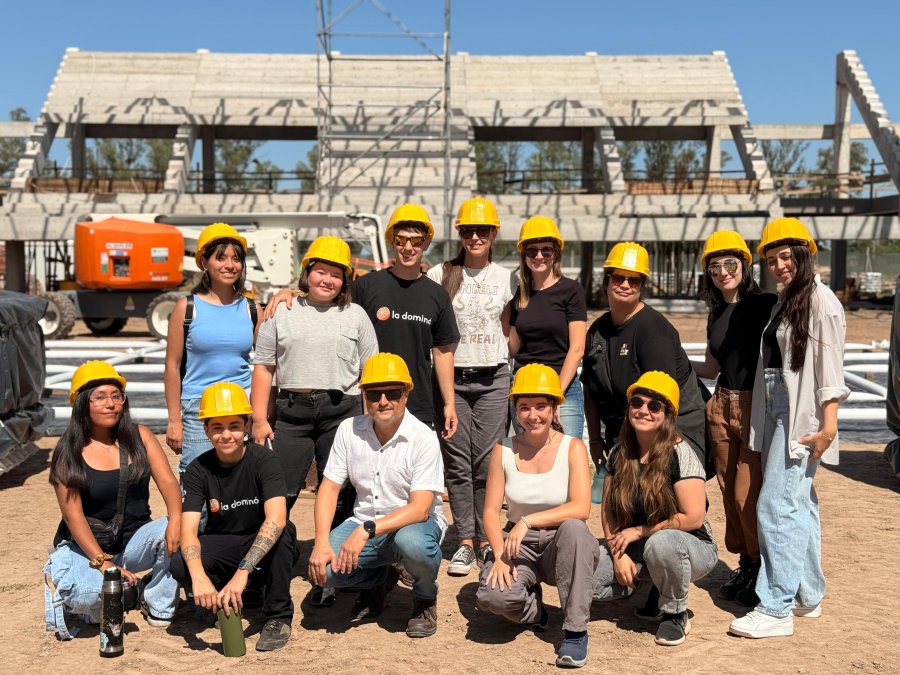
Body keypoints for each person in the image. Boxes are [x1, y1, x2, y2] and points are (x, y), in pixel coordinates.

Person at [729, 218, 849, 639]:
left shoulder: (821, 302)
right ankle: (806, 594)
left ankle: (776, 606)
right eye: (772, 259)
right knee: (800, 503)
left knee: (776, 504)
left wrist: (828, 425)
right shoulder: (789, 300)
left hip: (803, 415)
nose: (779, 265)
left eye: (786, 256)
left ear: (804, 254)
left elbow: (830, 370)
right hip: (780, 404)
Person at [265, 204, 459, 438]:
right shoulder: (366, 286)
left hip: (417, 402)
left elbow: (442, 352)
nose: (408, 247)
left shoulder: (436, 295)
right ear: (392, 241)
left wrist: (449, 403)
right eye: (401, 240)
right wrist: (291, 293)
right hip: (373, 401)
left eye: (416, 241)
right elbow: (325, 298)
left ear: (426, 243)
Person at [308, 353, 447, 639]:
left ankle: (423, 597)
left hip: (411, 525)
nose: (383, 400)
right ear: (364, 396)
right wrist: (321, 541)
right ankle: (379, 578)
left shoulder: (423, 437)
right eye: (374, 393)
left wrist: (366, 531)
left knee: (413, 544)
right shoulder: (349, 430)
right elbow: (329, 487)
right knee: (325, 572)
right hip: (365, 520)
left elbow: (421, 508)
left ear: (406, 393)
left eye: (392, 392)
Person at [45, 361, 181, 639]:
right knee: (88, 598)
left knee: (191, 522)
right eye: (100, 397)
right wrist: (105, 564)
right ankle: (75, 583)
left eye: (116, 396)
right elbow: (74, 517)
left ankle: (155, 601)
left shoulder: (140, 436)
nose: (111, 404)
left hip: (133, 542)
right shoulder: (67, 451)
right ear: (83, 403)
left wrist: (177, 520)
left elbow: (168, 483)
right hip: (88, 549)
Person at [475, 364, 597, 669]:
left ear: (555, 408)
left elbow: (582, 507)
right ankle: (536, 612)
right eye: (525, 407)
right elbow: (490, 511)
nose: (533, 415)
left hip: (563, 542)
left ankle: (575, 631)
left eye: (541, 406)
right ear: (515, 409)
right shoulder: (502, 449)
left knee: (574, 528)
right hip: (518, 545)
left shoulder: (573, 447)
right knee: (493, 597)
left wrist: (529, 520)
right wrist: (500, 553)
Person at [591, 371, 717, 647]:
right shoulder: (618, 452)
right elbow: (608, 511)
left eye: (655, 405)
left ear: (668, 414)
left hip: (688, 545)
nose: (643, 410)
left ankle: (675, 612)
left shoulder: (681, 453)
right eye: (637, 402)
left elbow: (693, 517)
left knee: (661, 544)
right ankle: (653, 586)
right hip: (638, 544)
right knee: (588, 579)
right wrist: (617, 555)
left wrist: (639, 531)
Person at [251, 236, 378, 511]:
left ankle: (334, 550)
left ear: (345, 281)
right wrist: (260, 419)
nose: (327, 280)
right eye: (321, 271)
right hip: (291, 415)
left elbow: (371, 374)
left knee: (341, 492)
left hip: (342, 413)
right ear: (307, 274)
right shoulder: (281, 312)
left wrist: (370, 422)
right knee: (278, 492)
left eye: (336, 275)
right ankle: (278, 550)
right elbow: (263, 367)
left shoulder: (356, 315)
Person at [426, 197, 517, 577]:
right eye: (468, 231)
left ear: (494, 234)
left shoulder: (508, 278)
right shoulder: (439, 275)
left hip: (494, 378)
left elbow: (510, 332)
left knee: (488, 463)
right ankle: (466, 540)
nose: (475, 237)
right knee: (458, 464)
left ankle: (485, 537)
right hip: (454, 381)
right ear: (460, 234)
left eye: (482, 230)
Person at [170, 382, 298, 652]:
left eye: (234, 426)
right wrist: (199, 578)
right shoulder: (197, 469)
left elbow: (276, 519)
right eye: (217, 427)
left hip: (260, 539)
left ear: (247, 426)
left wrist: (242, 573)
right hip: (225, 541)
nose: (226, 435)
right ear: (206, 430)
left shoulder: (264, 461)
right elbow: (189, 530)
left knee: (282, 534)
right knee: (181, 564)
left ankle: (278, 616)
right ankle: (217, 599)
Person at [693, 231, 776, 607]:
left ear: (745, 265)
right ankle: (745, 562)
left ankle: (762, 565)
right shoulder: (716, 312)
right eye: (715, 267)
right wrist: (675, 361)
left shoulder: (766, 304)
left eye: (730, 264)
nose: (723, 272)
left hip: (755, 405)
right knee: (728, 491)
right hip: (722, 405)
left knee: (748, 492)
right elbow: (712, 367)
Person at [581, 241, 708, 468]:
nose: (625, 285)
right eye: (618, 278)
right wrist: (595, 439)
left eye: (634, 280)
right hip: (625, 434)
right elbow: (590, 390)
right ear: (607, 282)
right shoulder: (597, 330)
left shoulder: (654, 331)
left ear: (642, 286)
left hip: (670, 436)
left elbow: (661, 404)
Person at [164, 222, 257, 473]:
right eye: (221, 258)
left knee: (239, 485)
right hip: (198, 409)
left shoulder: (251, 309)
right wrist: (174, 420)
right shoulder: (187, 308)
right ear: (204, 262)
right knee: (197, 487)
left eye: (236, 259)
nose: (230, 265)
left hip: (241, 408)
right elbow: (172, 366)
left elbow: (264, 363)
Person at [509, 216, 587, 439]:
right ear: (524, 255)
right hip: (525, 387)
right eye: (532, 251)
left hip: (563, 387)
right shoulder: (519, 293)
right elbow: (514, 347)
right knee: (529, 459)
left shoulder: (571, 291)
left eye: (546, 250)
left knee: (566, 456)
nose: (539, 256)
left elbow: (577, 349)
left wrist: (556, 397)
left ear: (556, 253)